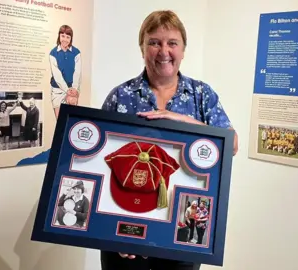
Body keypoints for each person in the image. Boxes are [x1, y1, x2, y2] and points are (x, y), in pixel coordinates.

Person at [100, 10, 238, 270]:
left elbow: (231, 145)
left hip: (182, 231)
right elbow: (101, 164)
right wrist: (112, 232)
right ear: (142, 49)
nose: (164, 51)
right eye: (154, 42)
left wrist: (183, 121)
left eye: (172, 42)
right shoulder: (120, 96)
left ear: (183, 50)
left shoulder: (201, 95)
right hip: (125, 231)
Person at [49, 24, 82, 119]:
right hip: (58, 90)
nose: (65, 39)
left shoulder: (76, 53)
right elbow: (57, 75)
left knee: (71, 121)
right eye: (63, 36)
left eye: (68, 37)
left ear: (71, 38)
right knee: (60, 121)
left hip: (73, 90)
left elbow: (77, 72)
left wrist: (74, 89)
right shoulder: (53, 53)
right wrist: (66, 90)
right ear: (59, 36)